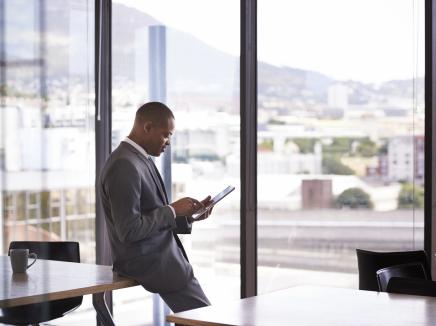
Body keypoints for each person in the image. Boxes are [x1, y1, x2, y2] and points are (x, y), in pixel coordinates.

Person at [98, 101, 212, 313]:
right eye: (166, 134)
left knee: (201, 316)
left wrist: (188, 216)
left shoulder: (139, 159)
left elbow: (149, 214)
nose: (168, 142)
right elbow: (129, 230)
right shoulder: (125, 165)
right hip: (147, 260)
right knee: (205, 317)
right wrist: (172, 210)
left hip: (159, 255)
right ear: (147, 127)